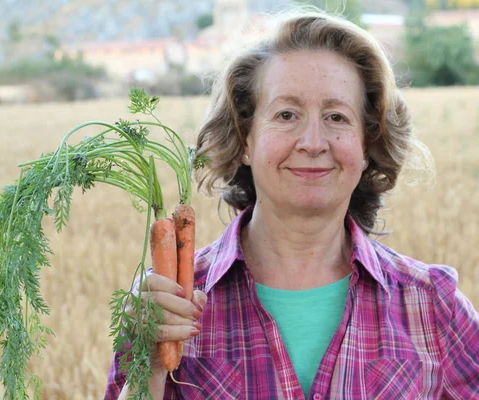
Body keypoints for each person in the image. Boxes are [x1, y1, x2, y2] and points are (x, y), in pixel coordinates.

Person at [104, 10, 479, 400]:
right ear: (245, 139)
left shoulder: (434, 306)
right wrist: (147, 365)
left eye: (336, 116)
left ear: (367, 145)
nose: (313, 142)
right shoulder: (167, 305)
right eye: (286, 115)